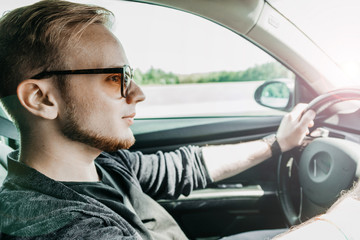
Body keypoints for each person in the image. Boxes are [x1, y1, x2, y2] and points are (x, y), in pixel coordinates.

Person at [0, 0, 356, 239]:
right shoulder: (50, 224)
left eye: (130, 74)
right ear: (41, 98)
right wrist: (353, 210)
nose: (137, 93)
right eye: (115, 78)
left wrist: (277, 144)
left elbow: (184, 166)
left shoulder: (102, 162)